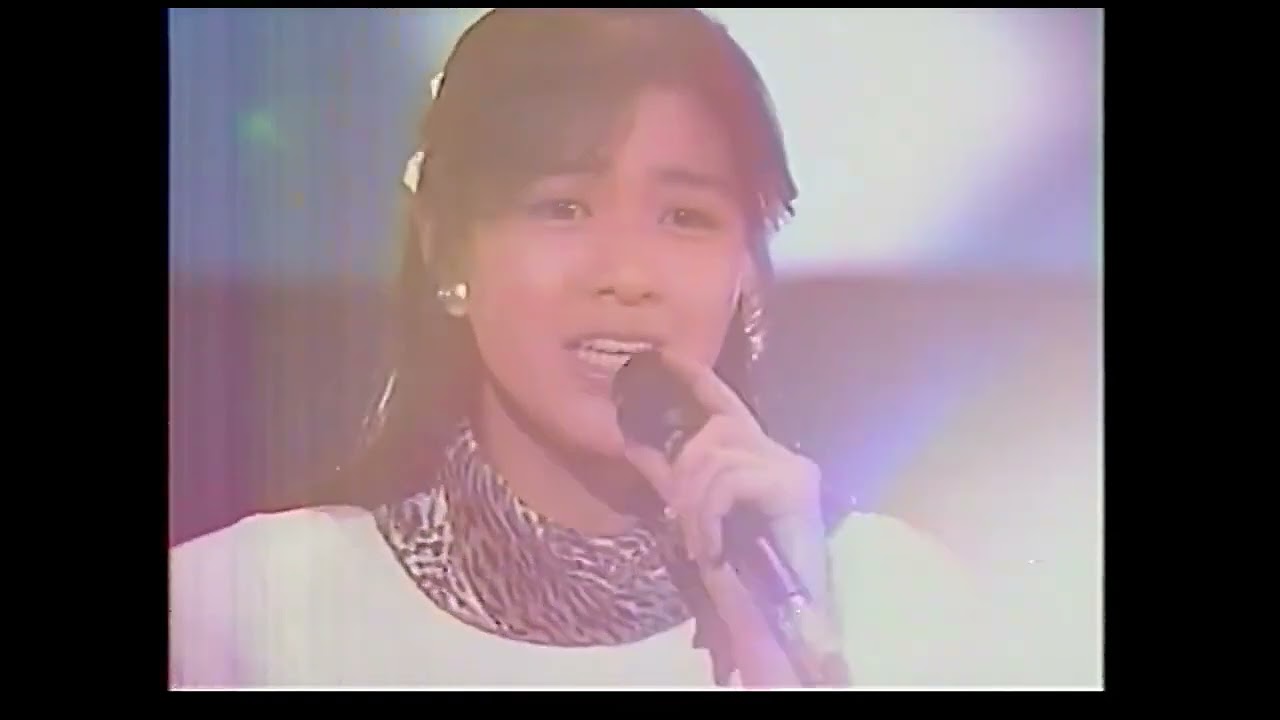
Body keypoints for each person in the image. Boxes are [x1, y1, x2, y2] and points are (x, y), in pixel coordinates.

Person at [169, 8, 1012, 689]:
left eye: (685, 217)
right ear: (446, 247)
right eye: (562, 208)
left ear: (748, 270)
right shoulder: (245, 612)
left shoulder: (898, 605)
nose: (628, 275)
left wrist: (782, 650)